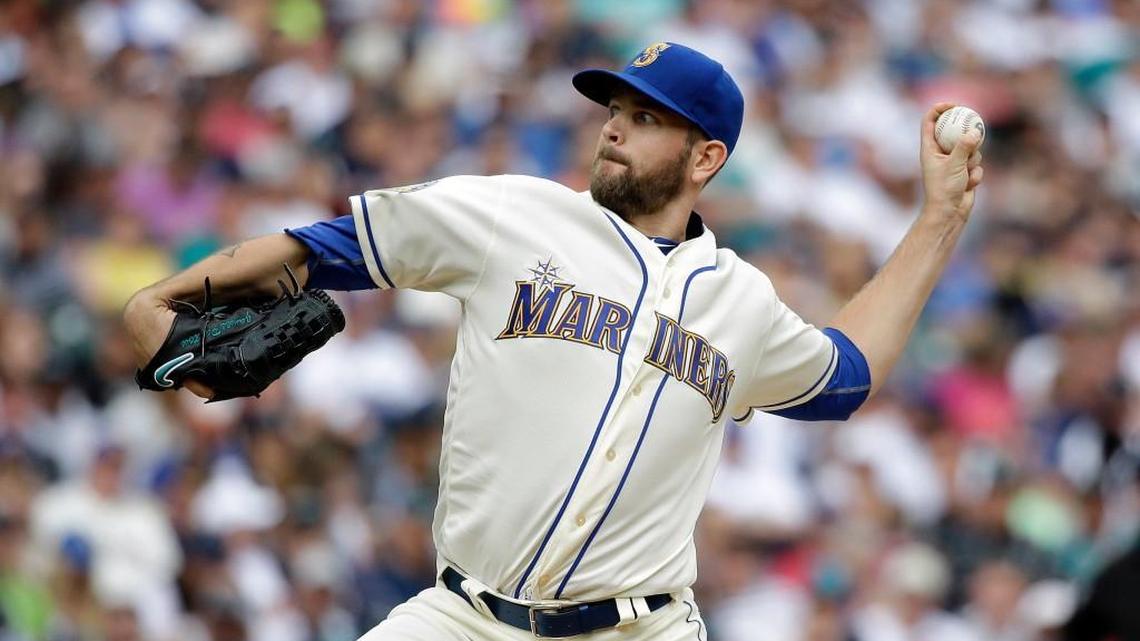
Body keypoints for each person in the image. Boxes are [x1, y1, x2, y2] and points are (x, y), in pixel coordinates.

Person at [123, 42, 983, 640]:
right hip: (462, 616)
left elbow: (846, 375)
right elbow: (323, 248)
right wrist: (159, 299)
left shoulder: (742, 302)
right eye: (615, 109)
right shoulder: (514, 214)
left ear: (705, 158)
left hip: (639, 628)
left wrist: (940, 217)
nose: (614, 127)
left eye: (646, 117)